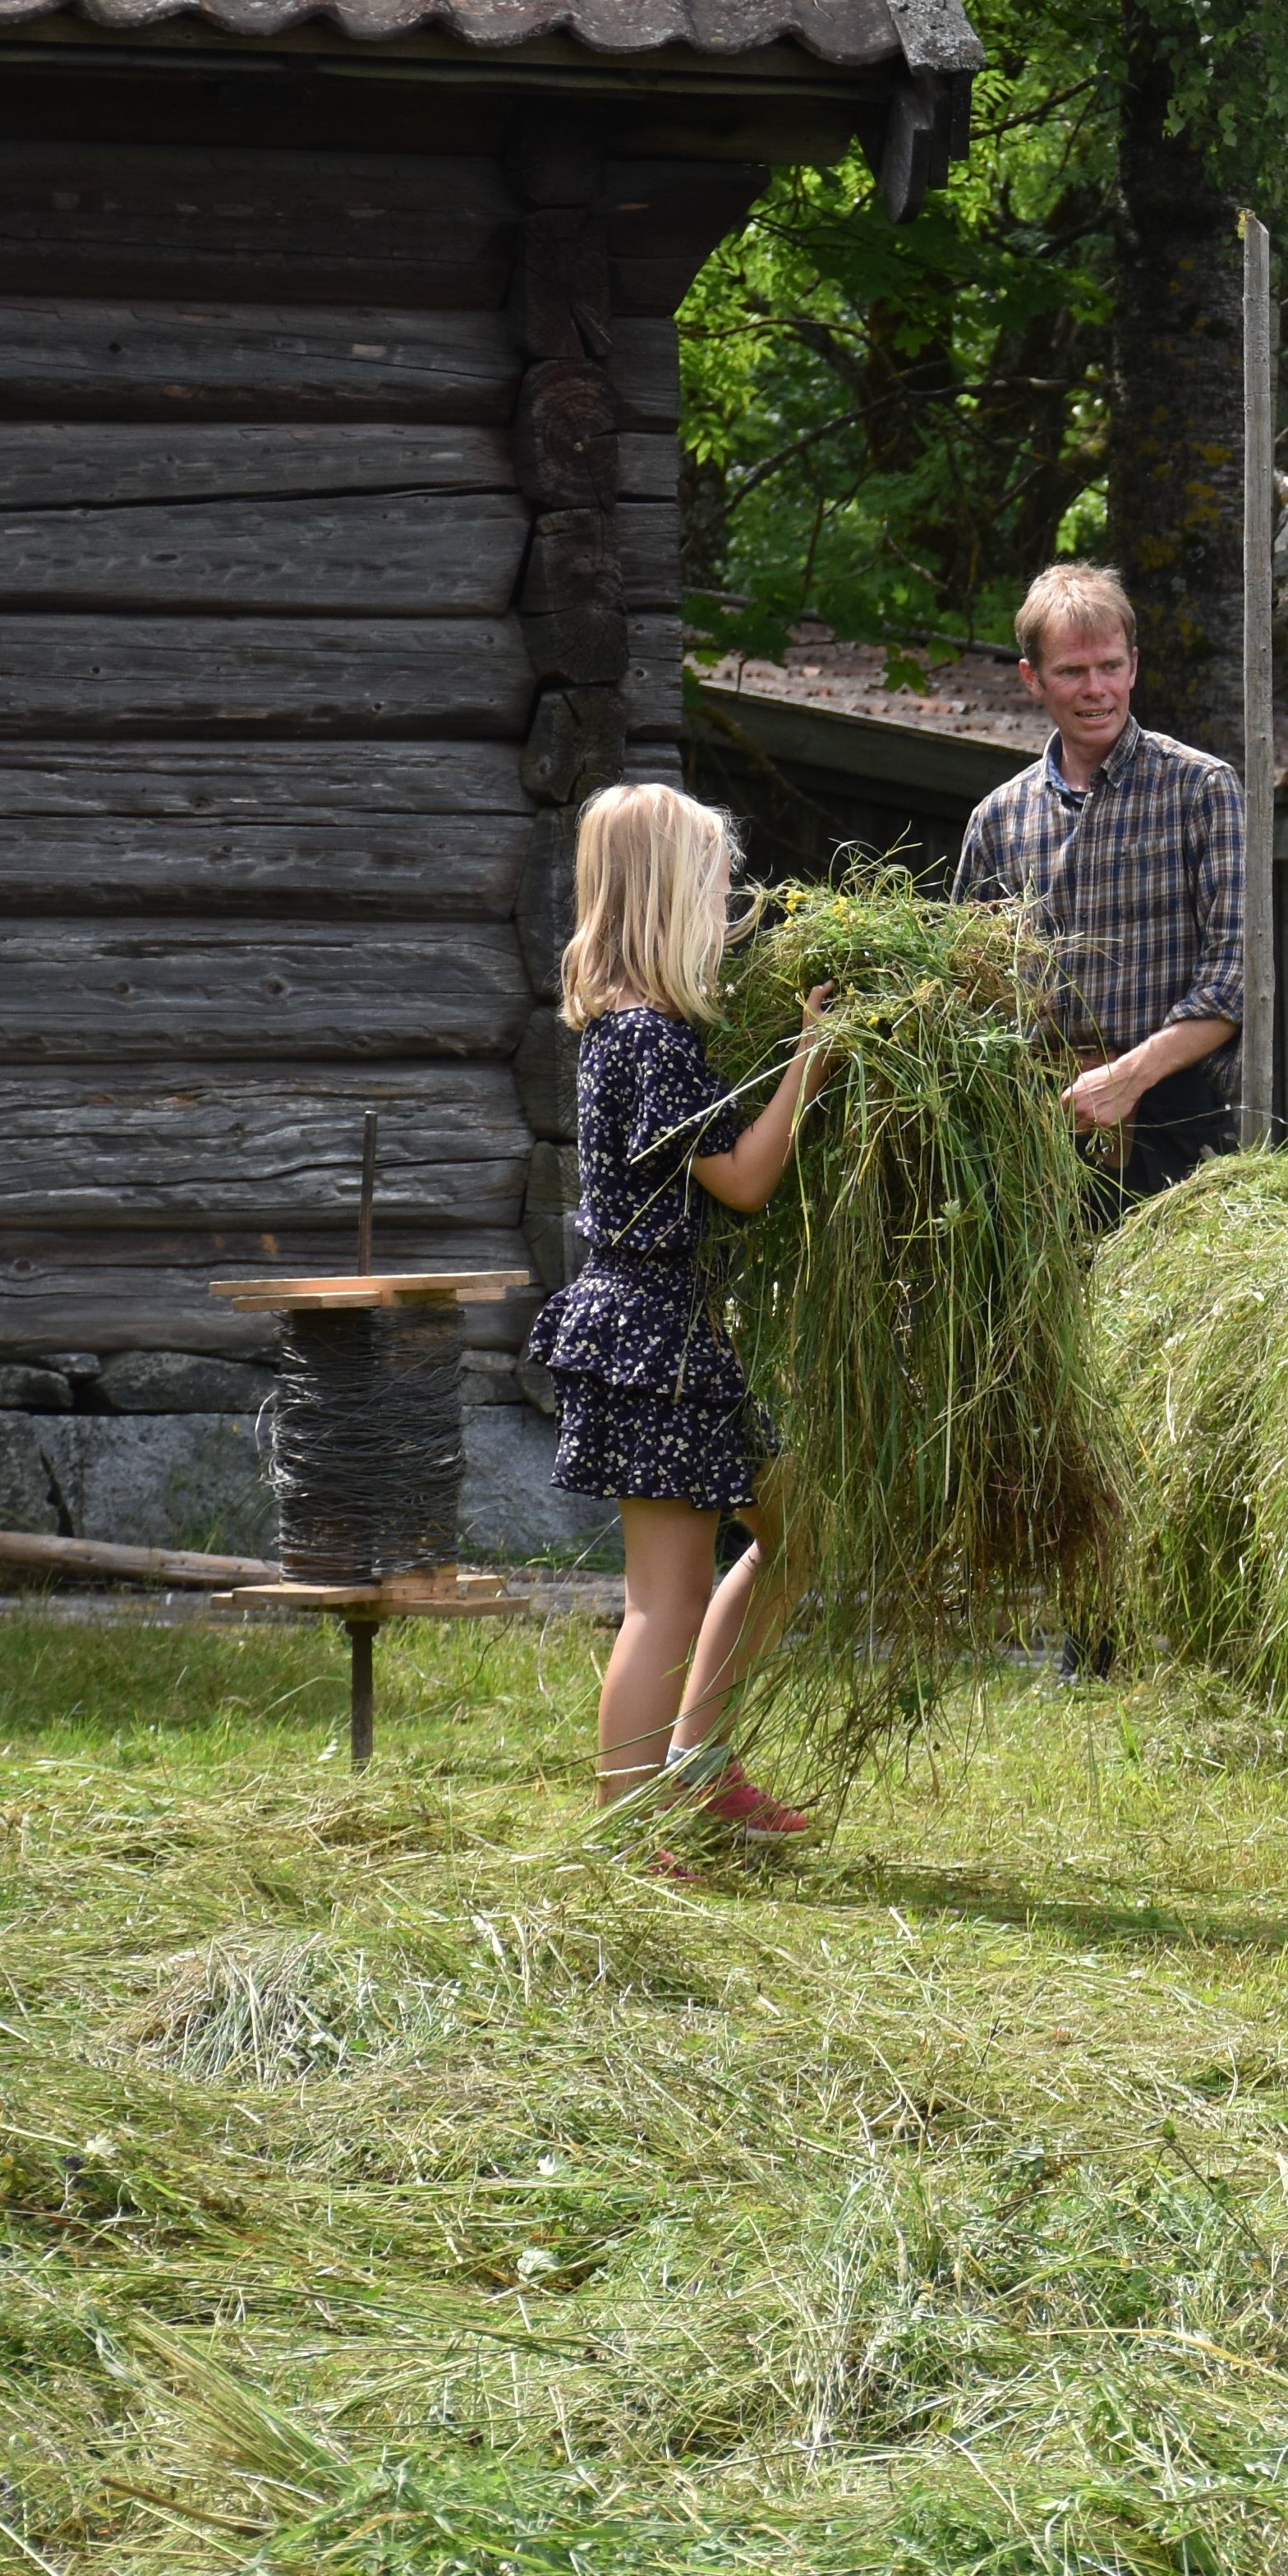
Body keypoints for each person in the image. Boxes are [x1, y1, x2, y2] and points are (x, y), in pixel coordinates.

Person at [528, 782, 837, 1828]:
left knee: (797, 1530)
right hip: (650, 1339)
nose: (726, 906)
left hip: (680, 1333)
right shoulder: (647, 1041)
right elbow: (743, 1180)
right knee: (666, 1596)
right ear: (665, 894)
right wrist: (809, 1061)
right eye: (712, 885)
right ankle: (625, 1825)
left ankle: (698, 1766)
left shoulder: (640, 1032)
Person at [955, 562, 1246, 1208]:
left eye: (1110, 667)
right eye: (1072, 672)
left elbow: (1236, 978)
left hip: (1177, 1123)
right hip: (1032, 1135)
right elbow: (966, 994)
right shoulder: (999, 820)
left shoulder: (1200, 789)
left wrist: (1128, 1077)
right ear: (1032, 678)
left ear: (1134, 666)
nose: (1096, 690)